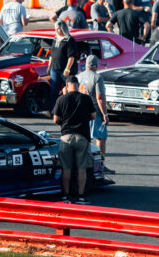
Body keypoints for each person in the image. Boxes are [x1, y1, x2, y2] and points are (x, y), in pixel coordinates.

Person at [51, 75, 95, 203]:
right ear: (78, 85)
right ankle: (81, 196)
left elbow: (55, 119)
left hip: (66, 137)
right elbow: (93, 115)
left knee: (66, 168)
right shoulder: (86, 98)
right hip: (82, 136)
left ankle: (65, 195)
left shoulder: (61, 99)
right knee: (82, 168)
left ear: (67, 85)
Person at [78, 54, 114, 175]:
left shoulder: (79, 76)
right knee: (100, 139)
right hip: (95, 112)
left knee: (85, 140)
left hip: (82, 113)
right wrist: (105, 114)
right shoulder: (97, 77)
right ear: (96, 65)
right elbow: (100, 97)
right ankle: (99, 166)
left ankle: (84, 165)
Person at [47, 21, 78, 112]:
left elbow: (71, 56)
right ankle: (52, 110)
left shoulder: (69, 40)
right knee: (53, 90)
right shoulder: (55, 39)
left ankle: (71, 109)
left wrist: (67, 69)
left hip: (65, 70)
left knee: (69, 90)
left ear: (62, 28)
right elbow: (52, 54)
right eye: (55, 28)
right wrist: (49, 66)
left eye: (58, 28)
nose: (56, 30)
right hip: (55, 69)